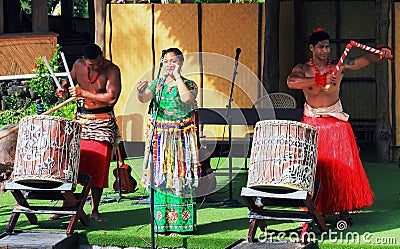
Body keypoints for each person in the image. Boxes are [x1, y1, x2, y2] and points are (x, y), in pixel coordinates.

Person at [287, 28, 392, 225]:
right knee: (315, 169)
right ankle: (316, 208)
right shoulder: (302, 69)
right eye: (321, 47)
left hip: (336, 125)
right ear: (312, 48)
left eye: (327, 47)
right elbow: (291, 82)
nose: (325, 50)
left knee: (342, 170)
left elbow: (361, 61)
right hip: (312, 125)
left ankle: (344, 210)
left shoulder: (338, 67)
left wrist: (380, 54)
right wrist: (319, 79)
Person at [54, 43, 122, 222]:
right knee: (72, 162)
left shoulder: (111, 70)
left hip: (102, 122)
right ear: (85, 60)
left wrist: (83, 93)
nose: (95, 66)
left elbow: (111, 98)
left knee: (98, 167)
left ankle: (95, 209)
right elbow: (69, 82)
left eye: (98, 62)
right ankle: (67, 205)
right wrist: (63, 89)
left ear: (101, 56)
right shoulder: (78, 65)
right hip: (81, 121)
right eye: (91, 65)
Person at [136, 48, 199, 235]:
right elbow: (144, 98)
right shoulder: (158, 83)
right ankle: (161, 224)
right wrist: (140, 92)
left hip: (179, 139)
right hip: (160, 137)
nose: (169, 64)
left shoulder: (189, 83)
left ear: (181, 62)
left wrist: (177, 76)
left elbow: (187, 99)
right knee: (161, 177)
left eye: (173, 61)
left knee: (178, 177)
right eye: (166, 61)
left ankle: (181, 225)